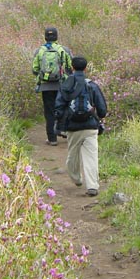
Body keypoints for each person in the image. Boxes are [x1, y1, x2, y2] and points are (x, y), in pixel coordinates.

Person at [54, 56, 107, 196]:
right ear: (85, 68)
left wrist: (60, 123)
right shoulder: (92, 85)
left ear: (72, 67)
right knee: (91, 156)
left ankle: (77, 179)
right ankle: (92, 186)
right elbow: (102, 110)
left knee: (72, 156)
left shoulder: (66, 85)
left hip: (72, 127)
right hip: (90, 127)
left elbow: (58, 107)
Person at [33, 27, 72, 145]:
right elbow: (70, 67)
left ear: (45, 37)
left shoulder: (39, 51)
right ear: (57, 36)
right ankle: (63, 130)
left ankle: (52, 139)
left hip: (45, 86)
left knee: (49, 112)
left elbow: (34, 69)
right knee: (63, 108)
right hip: (61, 85)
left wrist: (42, 76)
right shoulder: (64, 50)